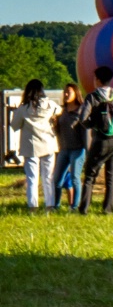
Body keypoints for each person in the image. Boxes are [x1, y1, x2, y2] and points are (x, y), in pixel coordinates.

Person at [77, 66, 113, 215]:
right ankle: (108, 209)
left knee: (90, 175)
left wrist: (94, 126)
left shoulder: (92, 97)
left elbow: (82, 118)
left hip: (99, 141)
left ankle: (84, 208)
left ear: (97, 79)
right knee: (111, 177)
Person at [10, 79, 61, 210]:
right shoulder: (50, 105)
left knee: (32, 178)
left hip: (31, 146)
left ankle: (33, 206)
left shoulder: (23, 109)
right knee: (48, 178)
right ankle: (49, 205)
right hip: (49, 144)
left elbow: (14, 125)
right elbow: (60, 111)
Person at [53, 83, 88, 209]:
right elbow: (58, 132)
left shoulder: (81, 110)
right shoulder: (62, 111)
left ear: (76, 93)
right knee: (57, 180)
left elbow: (86, 132)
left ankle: (74, 207)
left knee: (75, 178)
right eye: (65, 92)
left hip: (78, 149)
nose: (66, 94)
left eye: (69, 92)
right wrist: (55, 124)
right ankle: (55, 206)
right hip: (64, 149)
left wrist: (87, 149)